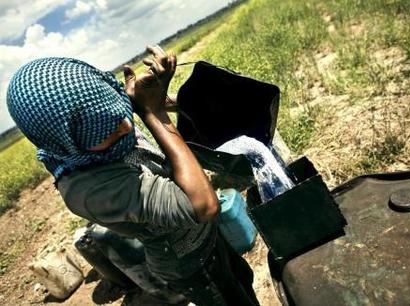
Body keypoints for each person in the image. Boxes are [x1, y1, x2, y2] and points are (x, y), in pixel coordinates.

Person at [7, 46, 260, 306]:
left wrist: (156, 98)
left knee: (242, 278)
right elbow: (203, 205)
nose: (127, 126)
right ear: (64, 142)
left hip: (205, 235)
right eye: (108, 132)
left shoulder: (99, 119)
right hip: (189, 261)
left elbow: (139, 106)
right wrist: (153, 114)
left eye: (120, 113)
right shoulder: (88, 188)